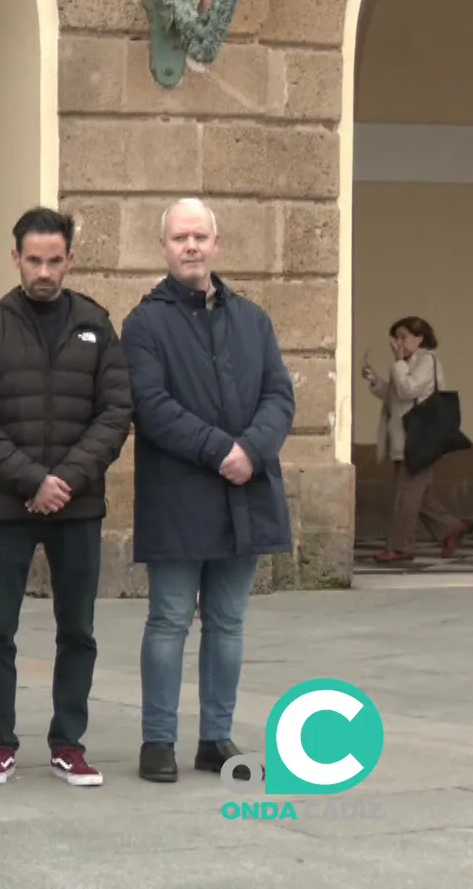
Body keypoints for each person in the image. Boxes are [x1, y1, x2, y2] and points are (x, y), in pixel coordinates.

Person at [0, 207, 131, 789]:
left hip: (77, 506)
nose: (45, 272)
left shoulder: (97, 326)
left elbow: (115, 412)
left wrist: (68, 480)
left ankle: (68, 743)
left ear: (70, 260)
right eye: (34, 260)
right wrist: (31, 479)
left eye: (55, 260)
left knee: (77, 629)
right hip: (6, 507)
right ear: (16, 259)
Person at [121, 197, 293, 784]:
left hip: (245, 495)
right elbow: (153, 407)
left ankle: (215, 736)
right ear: (163, 248)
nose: (190, 246)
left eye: (200, 236)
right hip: (179, 496)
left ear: (216, 244)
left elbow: (279, 396)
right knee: (169, 619)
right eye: (179, 238)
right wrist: (224, 451)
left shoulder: (254, 319)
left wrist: (253, 449)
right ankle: (158, 740)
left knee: (228, 622)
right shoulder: (144, 324)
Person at [364, 316, 471, 562]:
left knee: (407, 496)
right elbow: (395, 395)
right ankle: (450, 527)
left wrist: (399, 363)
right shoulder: (409, 362)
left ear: (419, 338)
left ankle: (401, 547)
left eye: (403, 337)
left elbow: (408, 389)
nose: (399, 343)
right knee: (416, 494)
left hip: (419, 439)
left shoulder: (427, 361)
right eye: (396, 338)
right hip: (405, 439)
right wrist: (374, 380)